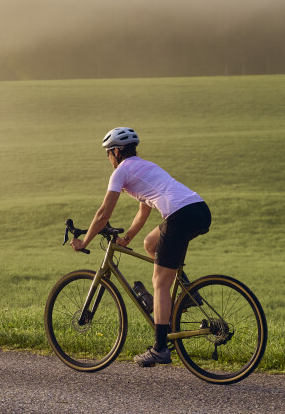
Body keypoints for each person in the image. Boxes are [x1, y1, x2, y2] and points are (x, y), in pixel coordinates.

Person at [69, 127, 211, 367]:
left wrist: (85, 241)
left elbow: (104, 213)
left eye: (108, 153)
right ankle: (188, 291)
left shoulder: (121, 172)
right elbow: (143, 211)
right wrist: (128, 239)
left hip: (179, 216)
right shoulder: (145, 166)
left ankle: (159, 349)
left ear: (115, 151)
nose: (108, 159)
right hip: (199, 210)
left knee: (160, 283)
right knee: (150, 243)